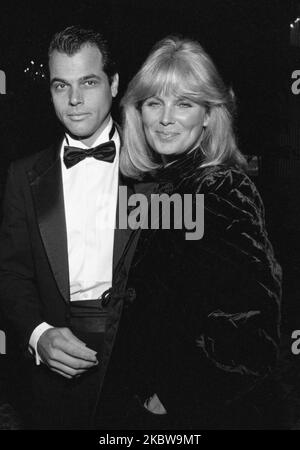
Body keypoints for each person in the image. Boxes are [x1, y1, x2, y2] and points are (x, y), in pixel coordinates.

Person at [113, 36, 283, 429]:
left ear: (208, 115)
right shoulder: (163, 183)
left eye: (184, 103)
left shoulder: (219, 188)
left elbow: (252, 329)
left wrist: (173, 397)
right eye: (154, 102)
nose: (165, 117)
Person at [0, 26, 152, 429]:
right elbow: (12, 272)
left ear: (115, 84)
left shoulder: (157, 173)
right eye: (60, 86)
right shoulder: (22, 176)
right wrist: (38, 334)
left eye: (88, 81)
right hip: (55, 365)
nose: (74, 100)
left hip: (140, 368)